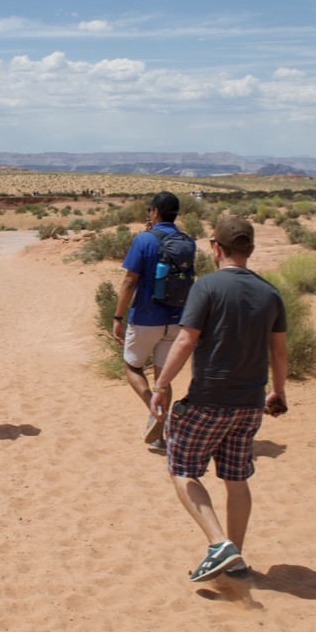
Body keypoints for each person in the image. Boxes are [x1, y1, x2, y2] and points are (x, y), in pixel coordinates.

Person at [149, 215, 288, 582]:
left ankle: (218, 544)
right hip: (250, 404)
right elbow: (280, 352)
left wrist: (162, 386)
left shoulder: (207, 287)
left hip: (208, 400)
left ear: (216, 248)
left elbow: (185, 340)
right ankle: (236, 559)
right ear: (251, 250)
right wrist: (278, 391)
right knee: (236, 479)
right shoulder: (270, 292)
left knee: (182, 470)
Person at [112, 191, 195, 449]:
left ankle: (155, 410)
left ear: (155, 212)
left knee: (132, 368)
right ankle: (159, 432)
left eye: (151, 210)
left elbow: (129, 281)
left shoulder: (144, 240)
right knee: (163, 378)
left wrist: (117, 316)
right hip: (178, 317)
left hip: (147, 317)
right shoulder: (188, 241)